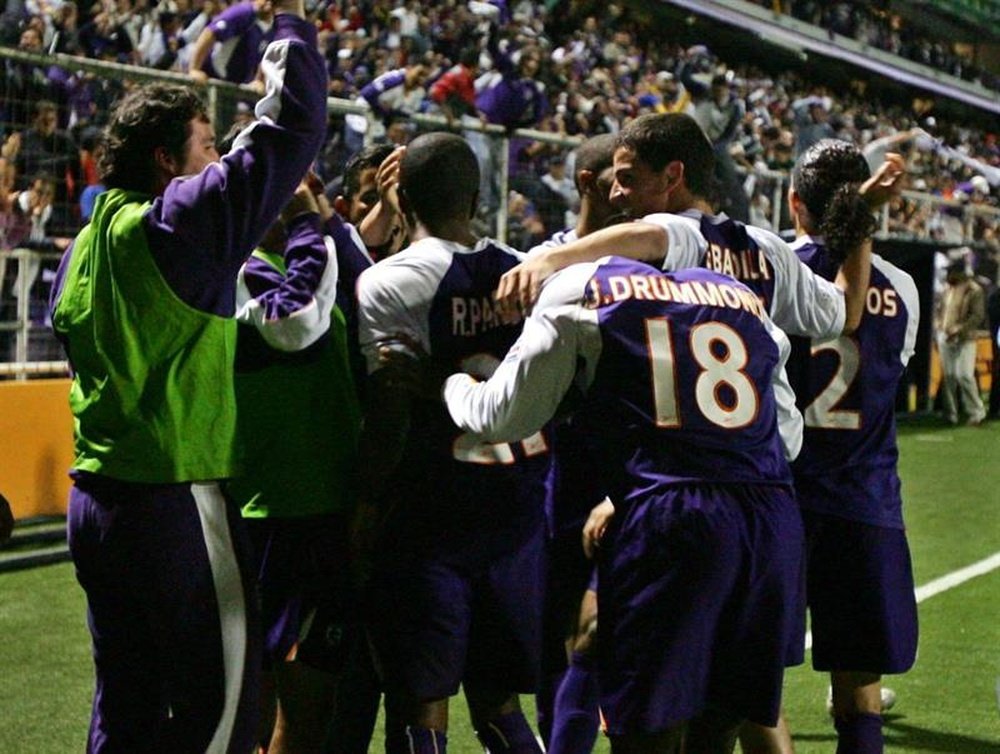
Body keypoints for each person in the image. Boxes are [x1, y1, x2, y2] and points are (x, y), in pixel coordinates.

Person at [47, 1, 327, 748]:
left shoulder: (82, 247)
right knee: (224, 710)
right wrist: (293, 23)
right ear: (169, 162)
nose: (217, 158)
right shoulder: (177, 224)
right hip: (175, 500)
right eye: (207, 144)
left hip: (94, 505)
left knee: (126, 706)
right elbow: (293, 126)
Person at [435, 256, 805, 754]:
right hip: (770, 517)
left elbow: (498, 417)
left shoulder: (583, 286)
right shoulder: (738, 294)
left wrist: (451, 384)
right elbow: (789, 437)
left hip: (671, 515)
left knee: (643, 731)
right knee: (718, 725)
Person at [354, 132, 548, 754]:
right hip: (516, 514)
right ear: (477, 195)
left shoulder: (392, 281)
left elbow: (389, 407)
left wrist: (363, 506)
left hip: (429, 517)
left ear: (402, 195)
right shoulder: (528, 274)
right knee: (499, 703)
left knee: (420, 702)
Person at [778, 139, 920, 754]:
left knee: (747, 681)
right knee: (860, 689)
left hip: (774, 498)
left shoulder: (770, 268)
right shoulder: (904, 290)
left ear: (794, 203)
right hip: (862, 500)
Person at [227, 178, 362, 753]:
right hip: (269, 509)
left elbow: (359, 273)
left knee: (309, 702)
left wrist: (330, 225)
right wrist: (312, 225)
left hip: (324, 507)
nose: (307, 192)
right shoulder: (241, 271)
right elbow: (295, 326)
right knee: (255, 697)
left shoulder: (322, 266)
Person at [528, 133, 617, 754]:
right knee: (556, 621)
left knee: (608, 624)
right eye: (615, 175)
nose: (625, 191)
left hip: (629, 465)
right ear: (587, 182)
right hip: (559, 464)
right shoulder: (545, 260)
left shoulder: (655, 258)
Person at [936, 260, 987, 425]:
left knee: (964, 375)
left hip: (965, 338)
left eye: (950, 272)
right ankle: (951, 414)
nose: (948, 275)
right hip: (945, 336)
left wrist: (959, 329)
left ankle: (977, 413)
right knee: (949, 377)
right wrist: (938, 325)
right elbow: (940, 310)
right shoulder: (947, 288)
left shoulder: (974, 290)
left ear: (959, 273)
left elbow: (977, 316)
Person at [188, 0, 275, 85]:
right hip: (213, 75)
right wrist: (194, 69)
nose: (268, 4)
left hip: (239, 84)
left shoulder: (275, 26)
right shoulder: (244, 12)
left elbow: (265, 56)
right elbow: (209, 33)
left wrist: (259, 80)